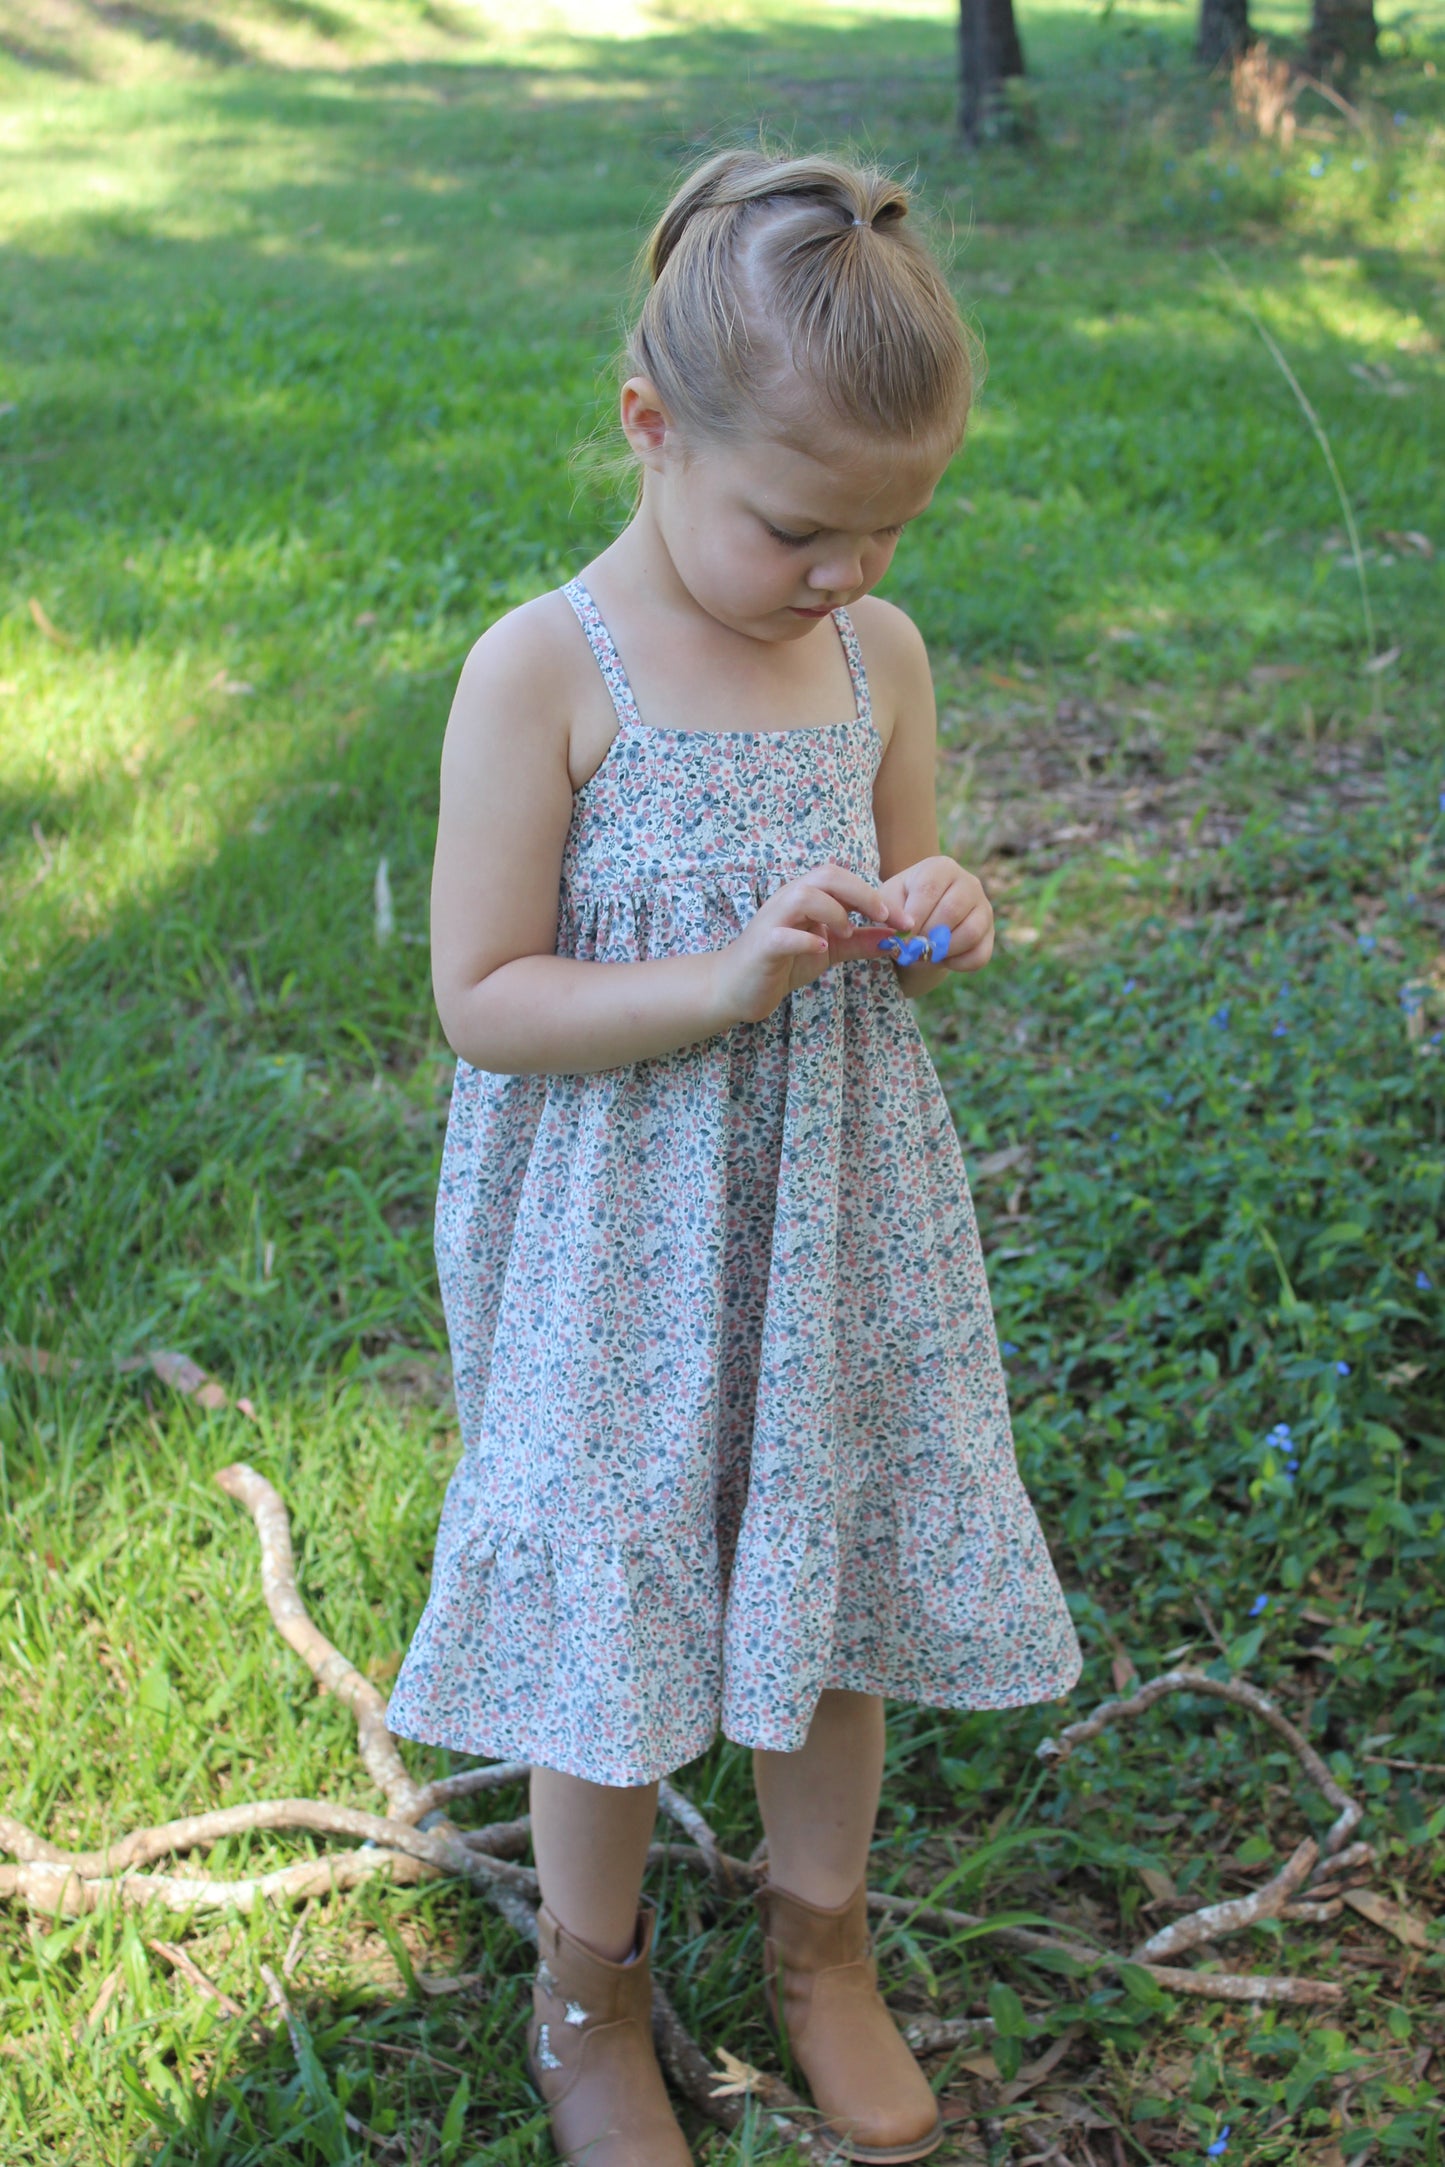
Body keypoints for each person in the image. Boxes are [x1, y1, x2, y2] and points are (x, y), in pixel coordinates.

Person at [385, 145, 1082, 2167]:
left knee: (827, 1577)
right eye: (800, 526)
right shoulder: (547, 672)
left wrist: (944, 907)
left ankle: (819, 1942)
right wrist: (713, 978)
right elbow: (484, 994)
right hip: (616, 1246)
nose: (846, 572)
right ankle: (584, 1989)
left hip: (832, 1224)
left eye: (890, 528)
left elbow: (914, 923)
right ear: (649, 428)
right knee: (615, 1616)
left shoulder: (879, 659)